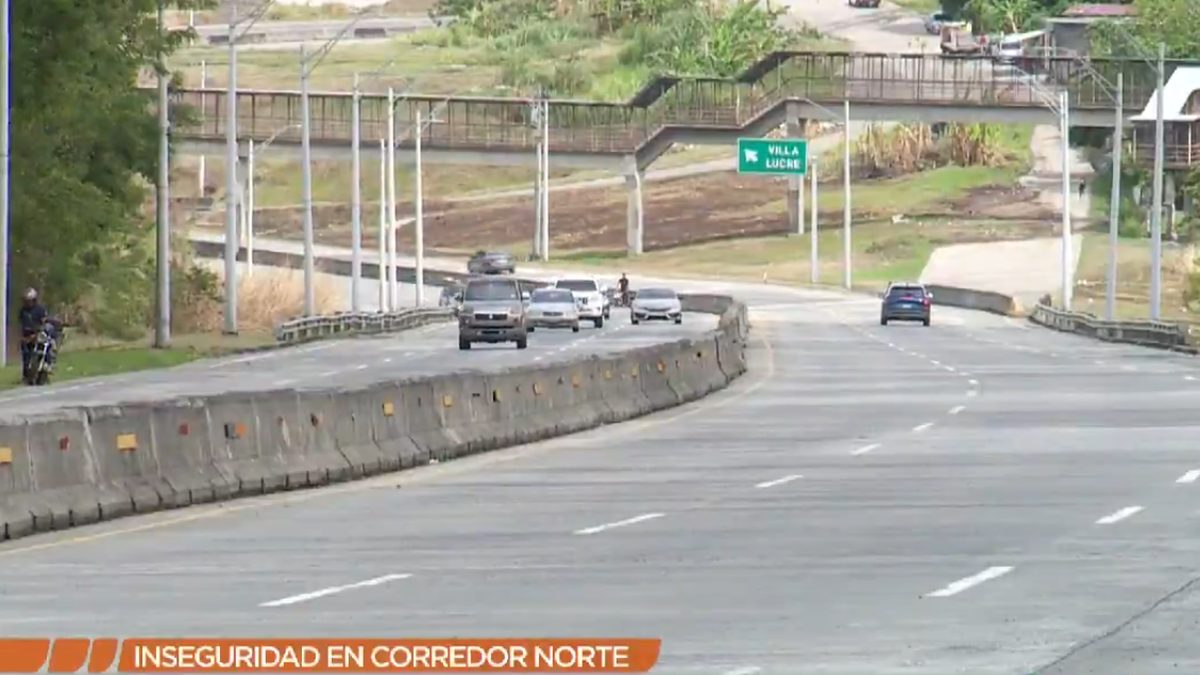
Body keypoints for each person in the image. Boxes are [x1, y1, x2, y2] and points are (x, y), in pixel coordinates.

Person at [18, 288, 48, 379]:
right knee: (26, 355)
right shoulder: (23, 310)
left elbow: (44, 321)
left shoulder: (40, 309)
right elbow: (21, 322)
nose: (27, 303)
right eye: (26, 301)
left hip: (37, 334)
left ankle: (45, 367)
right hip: (26, 335)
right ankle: (26, 374)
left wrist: (39, 330)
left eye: (29, 301)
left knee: (41, 349)